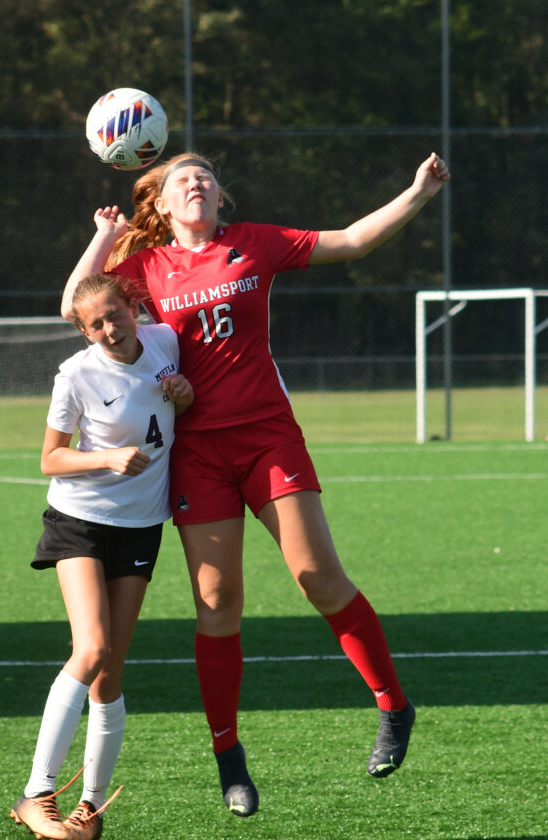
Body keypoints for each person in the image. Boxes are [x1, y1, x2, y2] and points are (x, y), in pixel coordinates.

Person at [61, 151, 450, 818]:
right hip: (197, 451)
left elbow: (352, 241)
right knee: (217, 602)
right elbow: (76, 304)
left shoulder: (254, 244)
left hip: (267, 436)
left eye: (206, 176)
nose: (198, 183)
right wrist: (105, 236)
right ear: (163, 203)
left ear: (220, 196)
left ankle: (394, 705)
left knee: (317, 577)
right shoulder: (146, 267)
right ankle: (229, 757)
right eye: (184, 178)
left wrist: (417, 193)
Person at [11, 272, 193, 840]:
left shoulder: (165, 341)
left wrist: (185, 396)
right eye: (95, 324)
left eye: (115, 315)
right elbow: (50, 459)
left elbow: (177, 412)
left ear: (133, 307)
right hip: (80, 521)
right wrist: (107, 458)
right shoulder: (76, 374)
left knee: (109, 674)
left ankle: (90, 808)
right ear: (84, 331)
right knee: (91, 647)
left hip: (141, 527)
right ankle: (36, 793)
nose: (110, 329)